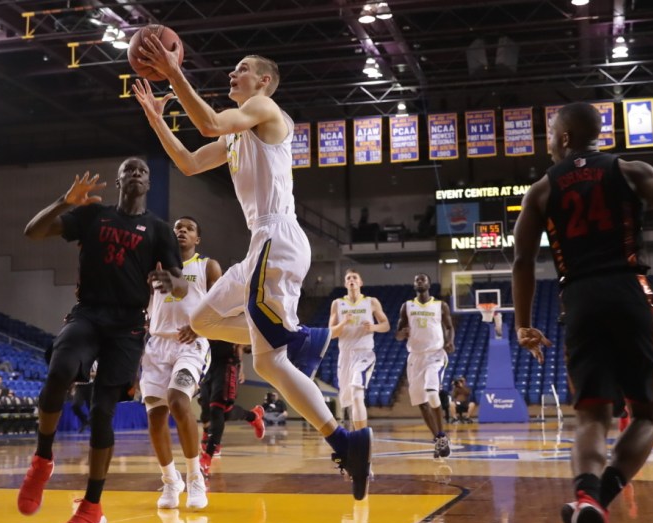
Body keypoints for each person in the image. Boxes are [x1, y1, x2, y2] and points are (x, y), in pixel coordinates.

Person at [134, 44, 372, 499]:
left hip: (277, 238)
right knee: (206, 322)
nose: (232, 73)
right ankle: (331, 407)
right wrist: (156, 119)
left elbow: (209, 121)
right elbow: (188, 162)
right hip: (259, 246)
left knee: (269, 358)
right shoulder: (236, 136)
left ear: (263, 82)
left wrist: (175, 72)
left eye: (241, 69)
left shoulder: (264, 108)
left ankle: (337, 423)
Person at [512, 102, 653, 523]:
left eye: (550, 134)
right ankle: (599, 499)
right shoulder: (631, 171)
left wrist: (523, 324)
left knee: (591, 415)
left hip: (580, 298)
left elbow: (522, 261)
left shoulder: (540, 190)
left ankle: (586, 497)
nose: (548, 143)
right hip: (629, 291)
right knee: (647, 415)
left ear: (565, 137)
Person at [17, 157, 187, 523]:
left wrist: (171, 283)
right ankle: (42, 460)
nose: (137, 173)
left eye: (143, 170)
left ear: (149, 183)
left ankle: (91, 507)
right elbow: (33, 232)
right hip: (88, 313)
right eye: (130, 170)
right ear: (119, 180)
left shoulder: (159, 230)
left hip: (128, 325)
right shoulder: (94, 216)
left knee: (102, 412)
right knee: (59, 370)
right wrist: (64, 201)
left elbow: (181, 283)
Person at [140, 216, 223, 510]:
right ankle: (170, 480)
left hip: (191, 343)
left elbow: (221, 306)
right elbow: (142, 305)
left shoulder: (207, 266)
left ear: (197, 239)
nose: (182, 231)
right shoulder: (153, 267)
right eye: (177, 228)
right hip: (156, 345)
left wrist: (200, 328)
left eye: (188, 228)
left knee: (178, 400)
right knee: (155, 416)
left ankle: (195, 477)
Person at [395, 273, 455, 459]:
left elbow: (449, 327)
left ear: (429, 284)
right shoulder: (407, 306)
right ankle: (438, 438)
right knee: (421, 403)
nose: (420, 281)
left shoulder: (440, 305)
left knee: (432, 392)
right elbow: (398, 333)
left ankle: (442, 436)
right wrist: (401, 334)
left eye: (423, 279)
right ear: (414, 285)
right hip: (415, 357)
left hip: (435, 355)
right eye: (417, 280)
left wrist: (450, 341)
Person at [328, 269, 390, 431]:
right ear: (345, 283)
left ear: (360, 282)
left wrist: (373, 327)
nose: (351, 280)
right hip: (345, 355)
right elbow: (331, 333)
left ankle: (362, 436)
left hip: (364, 353)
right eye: (348, 278)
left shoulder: (371, 302)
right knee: (348, 399)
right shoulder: (337, 303)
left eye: (355, 277)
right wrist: (343, 322)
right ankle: (355, 434)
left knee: (357, 391)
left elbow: (386, 325)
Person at [198, 342, 264, 469]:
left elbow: (241, 342)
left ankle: (207, 456)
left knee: (217, 408)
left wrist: (240, 366)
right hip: (206, 360)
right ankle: (253, 416)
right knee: (209, 409)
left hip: (227, 362)